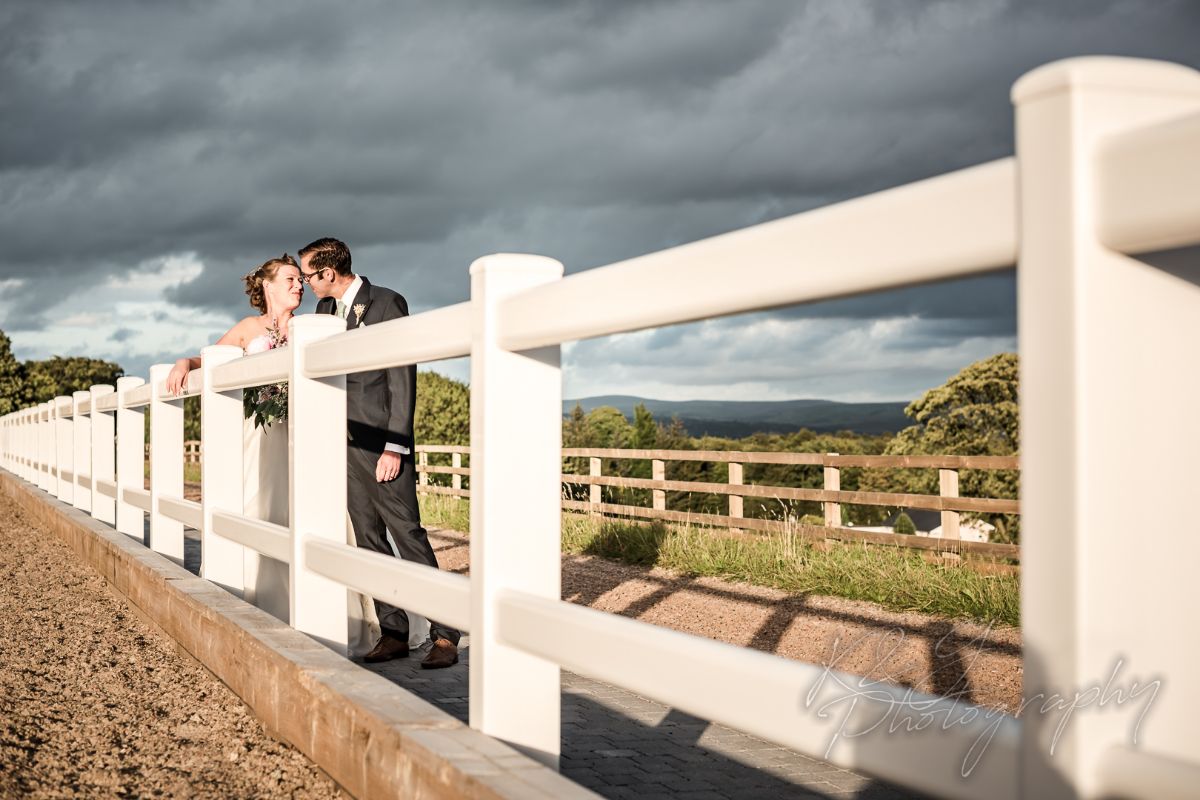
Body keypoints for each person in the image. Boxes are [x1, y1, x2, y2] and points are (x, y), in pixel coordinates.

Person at [298, 237, 460, 669]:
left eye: (310, 275)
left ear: (329, 273)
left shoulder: (388, 303)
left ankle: (446, 633)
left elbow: (402, 377)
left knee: (407, 533)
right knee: (368, 538)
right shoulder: (323, 314)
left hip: (382, 445)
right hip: (344, 446)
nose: (308, 284)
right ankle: (393, 631)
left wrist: (395, 446)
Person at [165, 254, 304, 624]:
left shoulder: (308, 327)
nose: (299, 285)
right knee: (258, 505)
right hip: (259, 434)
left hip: (298, 433)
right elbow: (210, 357)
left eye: (301, 281)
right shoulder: (249, 327)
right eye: (291, 279)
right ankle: (257, 598)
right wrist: (183, 363)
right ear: (267, 285)